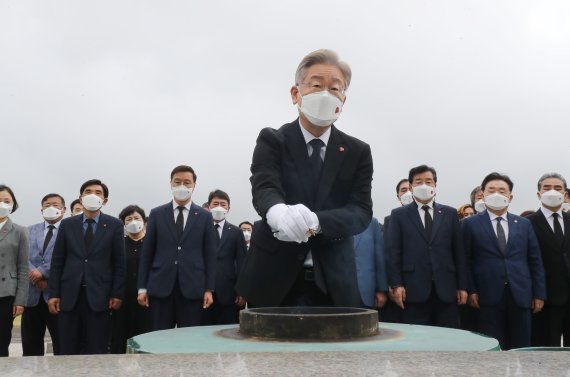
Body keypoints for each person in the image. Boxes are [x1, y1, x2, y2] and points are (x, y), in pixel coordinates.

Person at [236, 49, 373, 308]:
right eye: (316, 85)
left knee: (334, 348)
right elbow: (265, 185)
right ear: (295, 93)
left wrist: (316, 222)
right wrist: (278, 213)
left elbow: (361, 211)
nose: (325, 94)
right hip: (272, 277)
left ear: (343, 99)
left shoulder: (358, 152)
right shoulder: (272, 139)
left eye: (335, 88)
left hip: (333, 280)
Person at [462, 172, 546, 350]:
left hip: (521, 294)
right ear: (483, 194)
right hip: (486, 295)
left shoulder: (523, 224)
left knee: (522, 347)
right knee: (492, 346)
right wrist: (471, 290)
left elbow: (535, 260)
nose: (496, 194)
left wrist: (539, 293)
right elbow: (466, 260)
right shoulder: (470, 224)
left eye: (502, 190)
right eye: (491, 190)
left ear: (510, 196)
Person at [48, 179, 125, 355]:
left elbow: (119, 263)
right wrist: (54, 294)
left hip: (100, 296)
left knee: (97, 348)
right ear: (80, 198)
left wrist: (116, 293)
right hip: (69, 296)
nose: (92, 195)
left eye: (98, 192)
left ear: (105, 200)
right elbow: (58, 260)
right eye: (88, 192)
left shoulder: (114, 225)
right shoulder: (68, 224)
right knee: (67, 348)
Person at [137, 165, 217, 330]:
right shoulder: (157, 214)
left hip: (192, 288)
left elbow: (209, 255)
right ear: (171, 184)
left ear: (194, 185)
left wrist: (209, 289)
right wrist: (142, 287)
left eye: (187, 182)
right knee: (159, 338)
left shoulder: (205, 216)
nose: (182, 186)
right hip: (160, 287)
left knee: (189, 339)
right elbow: (147, 254)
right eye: (177, 181)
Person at [387, 165, 467, 328]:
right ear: (411, 186)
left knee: (449, 337)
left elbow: (459, 252)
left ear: (435, 185)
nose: (424, 185)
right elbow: (393, 252)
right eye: (418, 181)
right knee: (418, 340)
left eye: (428, 181)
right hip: (412, 289)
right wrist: (396, 284)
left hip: (446, 289)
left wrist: (462, 286)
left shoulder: (449, 214)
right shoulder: (398, 215)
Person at [527, 173, 570, 347]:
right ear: (538, 194)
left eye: (557, 188)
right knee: (546, 351)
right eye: (547, 188)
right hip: (544, 299)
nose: (552, 191)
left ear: (566, 194)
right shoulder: (526, 223)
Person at [22, 193, 65, 356]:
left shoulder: (69, 229)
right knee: (30, 343)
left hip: (56, 295)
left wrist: (43, 272)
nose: (51, 207)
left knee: (61, 342)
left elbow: (67, 257)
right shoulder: (29, 230)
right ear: (41, 210)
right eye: (47, 205)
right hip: (32, 295)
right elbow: (22, 256)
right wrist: (34, 274)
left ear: (64, 209)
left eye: (55, 204)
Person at [202, 190, 247, 325]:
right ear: (209, 206)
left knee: (227, 330)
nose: (219, 207)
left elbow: (242, 263)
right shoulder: (199, 230)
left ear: (228, 208)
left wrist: (242, 291)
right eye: (215, 204)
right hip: (202, 291)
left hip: (228, 292)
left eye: (223, 204)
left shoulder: (236, 232)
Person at [110, 205, 150, 354]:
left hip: (147, 301)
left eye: (137, 218)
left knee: (146, 339)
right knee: (118, 338)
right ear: (124, 224)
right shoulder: (118, 244)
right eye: (129, 219)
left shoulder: (152, 244)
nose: (133, 222)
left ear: (144, 222)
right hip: (122, 300)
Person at [0, 185, 29, 357]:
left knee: (2, 340)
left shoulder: (20, 231)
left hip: (6, 294)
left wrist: (20, 300)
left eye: (6, 201)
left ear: (13, 205)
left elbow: (23, 268)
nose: (2, 204)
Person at [353, 217, 387, 309]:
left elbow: (379, 258)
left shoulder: (372, 223)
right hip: (337, 293)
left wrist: (381, 290)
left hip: (366, 293)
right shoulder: (333, 221)